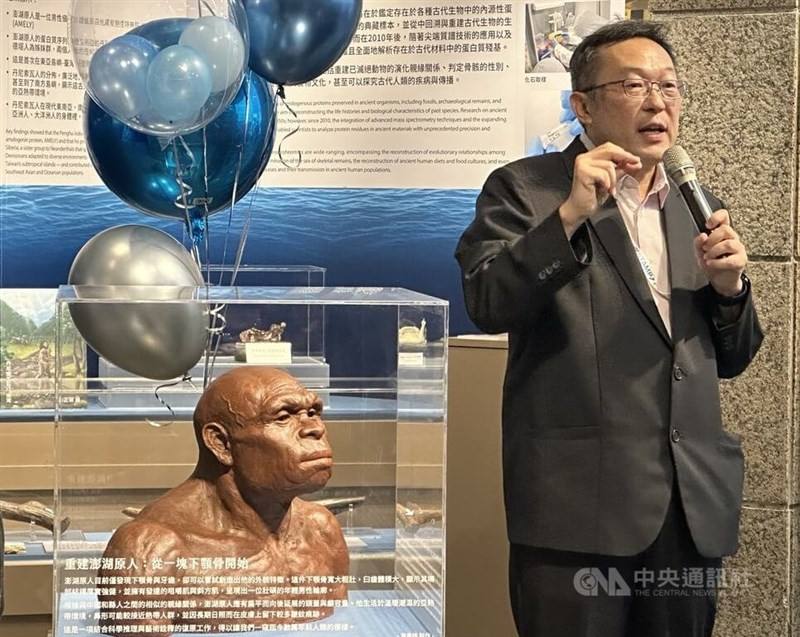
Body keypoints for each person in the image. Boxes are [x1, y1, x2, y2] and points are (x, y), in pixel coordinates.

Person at [455, 20, 763, 637]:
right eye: (633, 85)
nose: (657, 102)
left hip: (688, 510)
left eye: (669, 86)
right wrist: (569, 217)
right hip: (578, 510)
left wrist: (731, 289)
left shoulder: (694, 202)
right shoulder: (527, 189)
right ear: (583, 106)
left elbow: (730, 359)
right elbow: (487, 301)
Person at [97, 366, 349, 636]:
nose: (315, 428)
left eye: (313, 412)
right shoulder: (152, 548)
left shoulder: (321, 529)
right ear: (221, 443)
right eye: (283, 416)